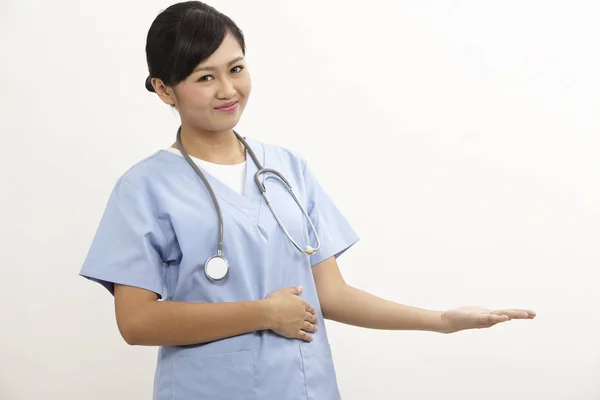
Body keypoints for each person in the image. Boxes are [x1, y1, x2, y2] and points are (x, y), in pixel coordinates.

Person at [79, 2, 536, 399]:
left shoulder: (287, 169)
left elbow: (330, 294)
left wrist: (440, 320)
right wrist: (262, 313)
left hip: (306, 386)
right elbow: (136, 323)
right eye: (205, 77)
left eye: (236, 69)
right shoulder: (145, 188)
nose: (228, 90)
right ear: (164, 89)